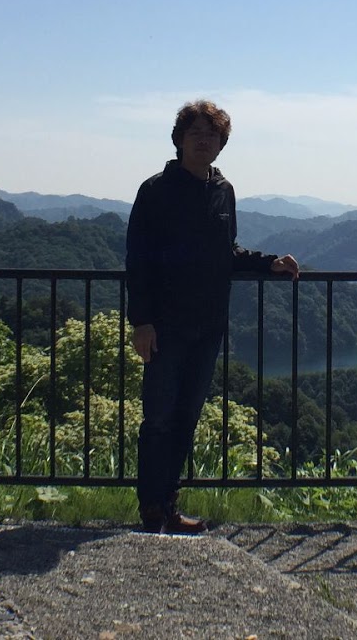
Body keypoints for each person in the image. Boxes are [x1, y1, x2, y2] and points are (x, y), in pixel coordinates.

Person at [125, 100, 300, 534]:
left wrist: (269, 264)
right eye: (196, 132)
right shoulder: (155, 191)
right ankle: (151, 508)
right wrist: (141, 321)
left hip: (208, 326)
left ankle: (168, 504)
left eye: (212, 134)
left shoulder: (224, 191)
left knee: (185, 417)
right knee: (158, 418)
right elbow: (138, 259)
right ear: (180, 140)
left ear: (221, 143)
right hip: (165, 326)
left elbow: (227, 252)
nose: (204, 140)